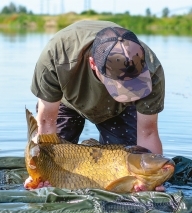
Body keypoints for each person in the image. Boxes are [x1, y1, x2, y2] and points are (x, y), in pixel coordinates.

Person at [25, 20, 165, 191]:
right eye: (121, 86)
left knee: (127, 168)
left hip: (120, 110)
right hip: (65, 100)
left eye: (132, 84)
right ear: (93, 64)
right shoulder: (57, 57)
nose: (128, 90)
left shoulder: (151, 71)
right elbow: (46, 123)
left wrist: (154, 179)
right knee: (55, 170)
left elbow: (148, 132)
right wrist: (39, 172)